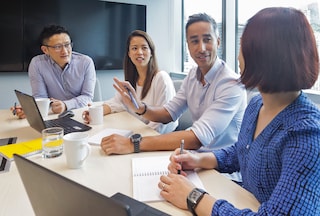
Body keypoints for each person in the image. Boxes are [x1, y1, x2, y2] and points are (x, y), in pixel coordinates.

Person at [159, 7, 320, 215]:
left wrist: (194, 197)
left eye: (243, 48)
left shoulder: (307, 135)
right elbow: (243, 150)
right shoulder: (256, 104)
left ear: (265, 56)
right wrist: (200, 159)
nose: (237, 57)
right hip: (244, 200)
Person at [100, 13, 246, 155]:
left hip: (222, 169)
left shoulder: (231, 84)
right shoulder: (192, 76)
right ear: (188, 46)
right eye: (194, 41)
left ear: (218, 42)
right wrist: (140, 108)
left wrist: (133, 144)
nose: (201, 48)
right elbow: (168, 113)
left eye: (207, 39)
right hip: (193, 157)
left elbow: (197, 138)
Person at [82, 30, 178, 134]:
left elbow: (161, 124)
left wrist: (134, 141)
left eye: (144, 48)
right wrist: (95, 113)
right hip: (139, 133)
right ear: (129, 54)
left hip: (157, 138)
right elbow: (116, 103)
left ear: (151, 52)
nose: (139, 52)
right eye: (134, 48)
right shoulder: (131, 80)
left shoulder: (161, 78)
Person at [10, 24, 96, 118]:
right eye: (57, 47)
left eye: (67, 45)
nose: (65, 51)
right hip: (53, 116)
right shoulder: (37, 64)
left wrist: (65, 105)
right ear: (45, 50)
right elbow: (40, 97)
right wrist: (30, 109)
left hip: (82, 114)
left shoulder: (86, 62)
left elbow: (87, 97)